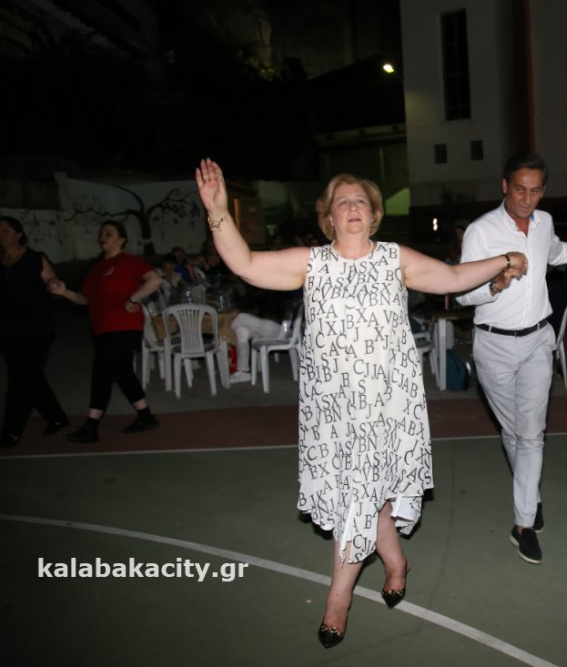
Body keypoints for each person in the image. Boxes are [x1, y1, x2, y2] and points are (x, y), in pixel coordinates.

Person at [195, 158, 527, 648]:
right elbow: (243, 263)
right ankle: (396, 562)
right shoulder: (311, 263)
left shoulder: (394, 258)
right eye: (341, 202)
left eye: (360, 201)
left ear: (373, 214)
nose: (352, 207)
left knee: (361, 493)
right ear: (329, 217)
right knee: (366, 493)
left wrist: (504, 259)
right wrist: (218, 211)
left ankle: (338, 598)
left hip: (388, 406)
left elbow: (455, 277)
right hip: (333, 410)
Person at [456, 152, 567, 564]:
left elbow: (558, 251)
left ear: (543, 191)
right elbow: (462, 293)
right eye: (519, 189)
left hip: (536, 341)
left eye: (534, 191)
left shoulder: (544, 222)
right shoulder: (481, 231)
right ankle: (530, 494)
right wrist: (495, 283)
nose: (526, 199)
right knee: (513, 431)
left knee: (531, 433)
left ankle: (523, 524)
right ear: (504, 186)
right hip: (493, 344)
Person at [49, 220, 163, 443]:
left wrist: (133, 298)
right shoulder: (97, 269)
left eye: (109, 234)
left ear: (121, 240)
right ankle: (146, 416)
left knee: (102, 370)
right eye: (101, 233)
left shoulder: (129, 261)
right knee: (121, 371)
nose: (103, 237)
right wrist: (65, 292)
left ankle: (91, 426)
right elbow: (84, 299)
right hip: (101, 328)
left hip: (124, 325)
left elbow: (155, 279)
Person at [0, 215, 70, 446]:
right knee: (31, 377)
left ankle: (11, 431)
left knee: (20, 381)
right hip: (8, 330)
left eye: (6, 230)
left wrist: (53, 287)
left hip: (36, 329)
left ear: (19, 234)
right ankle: (57, 417)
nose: (1, 235)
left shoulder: (34, 259)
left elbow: (52, 282)